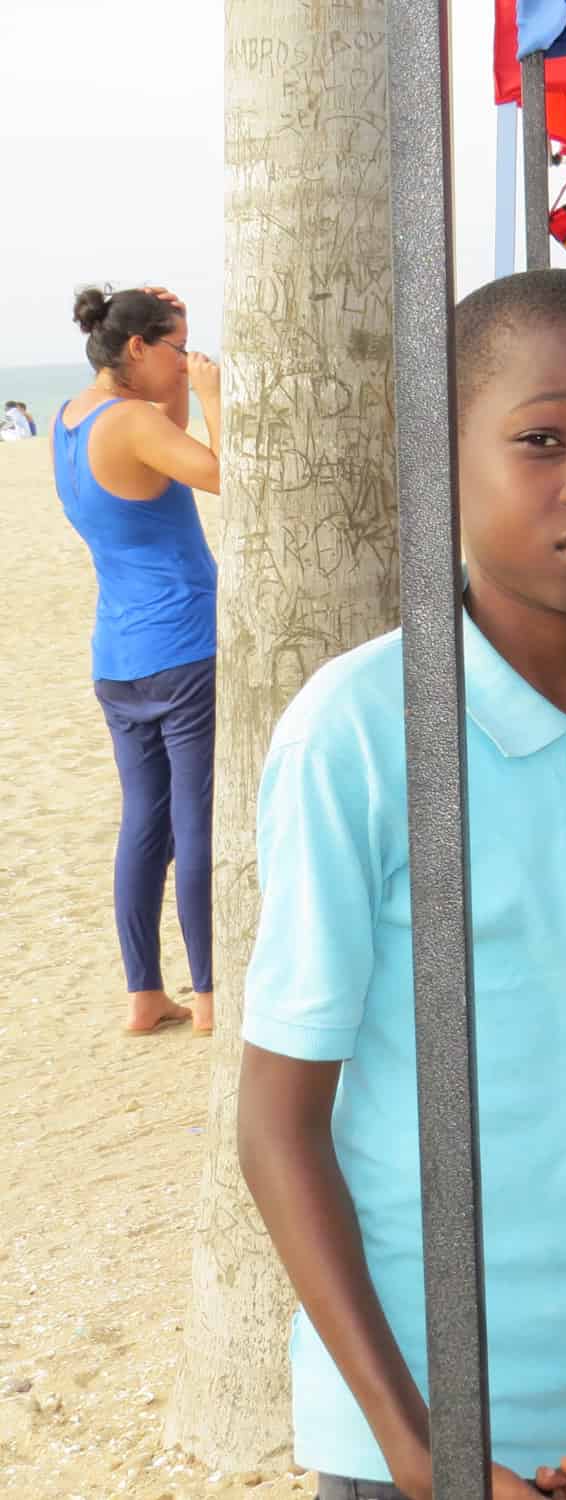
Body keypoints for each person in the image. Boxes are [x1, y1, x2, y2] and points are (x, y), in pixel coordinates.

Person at [235, 269, 566, 1500]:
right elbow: (279, 1126)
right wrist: (421, 1451)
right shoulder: (365, 731)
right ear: (438, 457)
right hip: (405, 1431)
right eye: (543, 439)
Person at [53, 284, 223, 1037]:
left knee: (144, 823)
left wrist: (183, 392)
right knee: (194, 820)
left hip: (118, 657)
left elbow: (157, 455)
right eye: (178, 349)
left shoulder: (75, 418)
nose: (187, 363)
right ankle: (212, 994)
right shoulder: (131, 424)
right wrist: (217, 396)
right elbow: (229, 475)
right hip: (182, 647)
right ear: (136, 349)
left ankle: (144, 995)